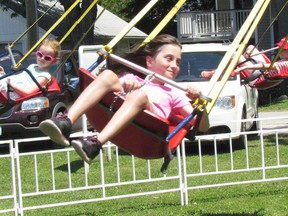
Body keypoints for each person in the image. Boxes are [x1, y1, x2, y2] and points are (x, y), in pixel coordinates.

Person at [39, 34, 201, 164]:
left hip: (150, 132)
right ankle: (66, 121)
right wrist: (125, 84)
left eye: (178, 62)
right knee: (109, 75)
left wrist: (199, 104)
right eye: (169, 58)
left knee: (139, 95)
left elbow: (202, 126)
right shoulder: (133, 78)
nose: (174, 65)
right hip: (122, 116)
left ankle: (94, 144)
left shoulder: (174, 92)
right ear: (149, 61)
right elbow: (112, 89)